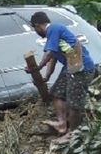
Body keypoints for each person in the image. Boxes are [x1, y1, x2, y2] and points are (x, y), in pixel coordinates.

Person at [27, 11, 96, 142]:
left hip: (82, 68)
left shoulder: (53, 28)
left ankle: (71, 135)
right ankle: (62, 124)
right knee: (57, 92)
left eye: (35, 29)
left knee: (74, 103)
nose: (36, 32)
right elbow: (53, 58)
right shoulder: (53, 34)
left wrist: (38, 67)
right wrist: (47, 76)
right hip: (71, 68)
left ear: (37, 25)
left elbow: (49, 52)